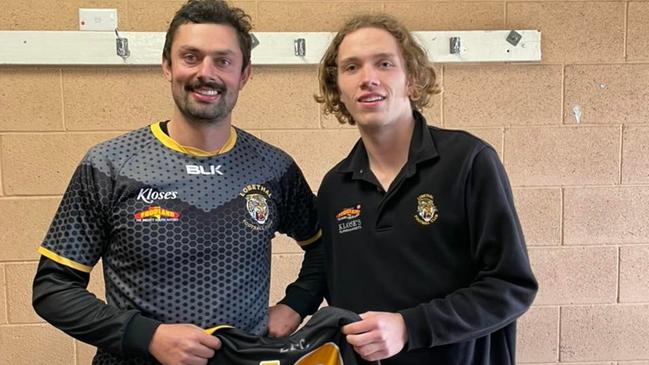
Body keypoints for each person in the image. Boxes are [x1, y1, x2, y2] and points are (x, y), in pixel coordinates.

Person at [32, 1, 323, 364]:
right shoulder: (110, 165)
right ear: (167, 66)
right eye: (190, 57)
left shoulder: (273, 169)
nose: (206, 72)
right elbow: (53, 288)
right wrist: (145, 335)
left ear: (244, 74)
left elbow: (326, 247)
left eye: (223, 60)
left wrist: (295, 304)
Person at [314, 14, 538, 364]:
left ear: (412, 79)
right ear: (338, 90)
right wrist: (289, 307)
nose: (368, 79)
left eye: (384, 64)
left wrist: (409, 327)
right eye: (351, 67)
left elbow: (511, 287)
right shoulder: (335, 187)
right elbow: (323, 272)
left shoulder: (468, 162)